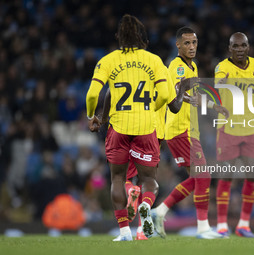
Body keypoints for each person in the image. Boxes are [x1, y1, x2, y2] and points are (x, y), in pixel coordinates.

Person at [86, 14, 171, 241]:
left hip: (119, 126)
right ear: (142, 37)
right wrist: (152, 109)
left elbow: (93, 93)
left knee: (117, 179)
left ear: (118, 37)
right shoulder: (154, 61)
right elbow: (165, 94)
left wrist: (92, 116)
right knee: (148, 181)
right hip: (145, 126)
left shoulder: (108, 60)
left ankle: (124, 231)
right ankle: (145, 205)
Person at [151, 27, 228, 239]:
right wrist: (186, 98)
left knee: (197, 178)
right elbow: (174, 92)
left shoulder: (191, 66)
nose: (192, 47)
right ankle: (203, 228)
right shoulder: (176, 66)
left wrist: (216, 107)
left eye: (194, 42)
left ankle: (160, 211)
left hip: (189, 130)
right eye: (187, 43)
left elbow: (194, 96)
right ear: (178, 45)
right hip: (179, 129)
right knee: (203, 176)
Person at [99, 70, 190, 240]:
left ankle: (130, 191)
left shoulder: (134, 79)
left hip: (136, 129)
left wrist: (103, 118)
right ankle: (141, 231)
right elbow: (175, 106)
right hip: (156, 134)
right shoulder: (163, 81)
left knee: (124, 177)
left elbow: (110, 93)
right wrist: (181, 90)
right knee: (147, 180)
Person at [214, 32, 254, 238]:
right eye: (234, 46)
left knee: (253, 176)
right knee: (226, 177)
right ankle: (221, 225)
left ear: (248, 47)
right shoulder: (222, 67)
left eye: (242, 45)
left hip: (251, 128)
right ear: (229, 49)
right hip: (228, 129)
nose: (239, 49)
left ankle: (243, 224)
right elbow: (218, 84)